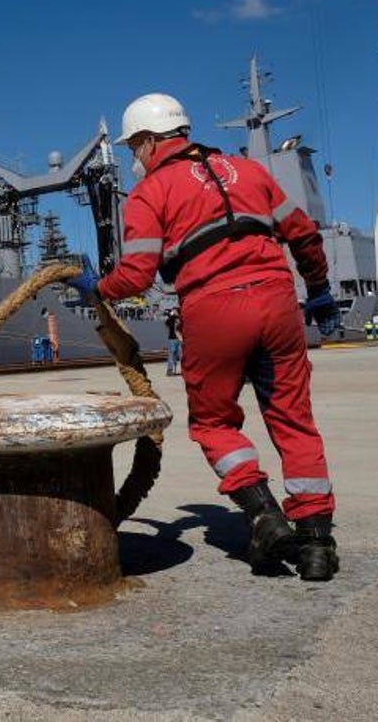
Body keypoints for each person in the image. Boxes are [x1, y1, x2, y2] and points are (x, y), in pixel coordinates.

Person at [67, 92, 340, 581]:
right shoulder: (251, 172)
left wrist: (94, 287)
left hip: (214, 309)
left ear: (150, 140)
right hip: (278, 303)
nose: (135, 157)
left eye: (135, 147)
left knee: (213, 423)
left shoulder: (152, 192)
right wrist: (317, 289)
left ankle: (263, 513)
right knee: (295, 422)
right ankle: (318, 542)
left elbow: (134, 278)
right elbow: (302, 234)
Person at [164, 308, 183, 376]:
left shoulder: (181, 319)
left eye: (176, 311)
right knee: (172, 354)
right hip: (172, 339)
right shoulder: (171, 319)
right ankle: (170, 370)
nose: (174, 312)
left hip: (180, 339)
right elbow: (166, 323)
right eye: (173, 311)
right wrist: (171, 316)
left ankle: (183, 369)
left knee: (182, 355)